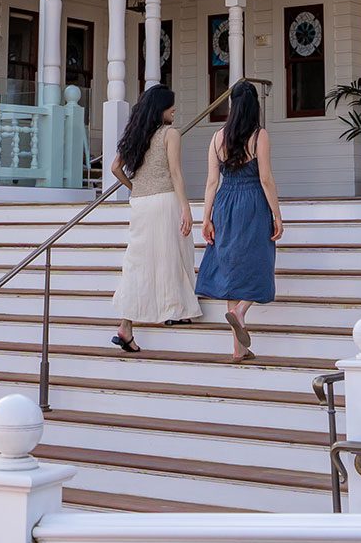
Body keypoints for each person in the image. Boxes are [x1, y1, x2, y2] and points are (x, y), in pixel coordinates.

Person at [109, 84, 200, 353]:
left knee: (138, 262)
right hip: (164, 200)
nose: (175, 109)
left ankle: (126, 325)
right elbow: (175, 172)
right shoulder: (170, 133)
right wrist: (186, 207)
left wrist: (134, 186)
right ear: (161, 108)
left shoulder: (136, 134)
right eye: (172, 105)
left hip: (140, 203)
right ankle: (176, 309)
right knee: (175, 254)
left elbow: (115, 168)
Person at [195, 81, 282, 362]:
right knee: (260, 264)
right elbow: (266, 179)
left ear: (232, 104)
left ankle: (238, 349)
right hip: (253, 203)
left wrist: (205, 218)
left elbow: (211, 181)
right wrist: (277, 215)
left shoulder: (218, 137)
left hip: (225, 203)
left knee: (233, 271)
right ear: (255, 105)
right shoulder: (259, 135)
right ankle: (242, 310)